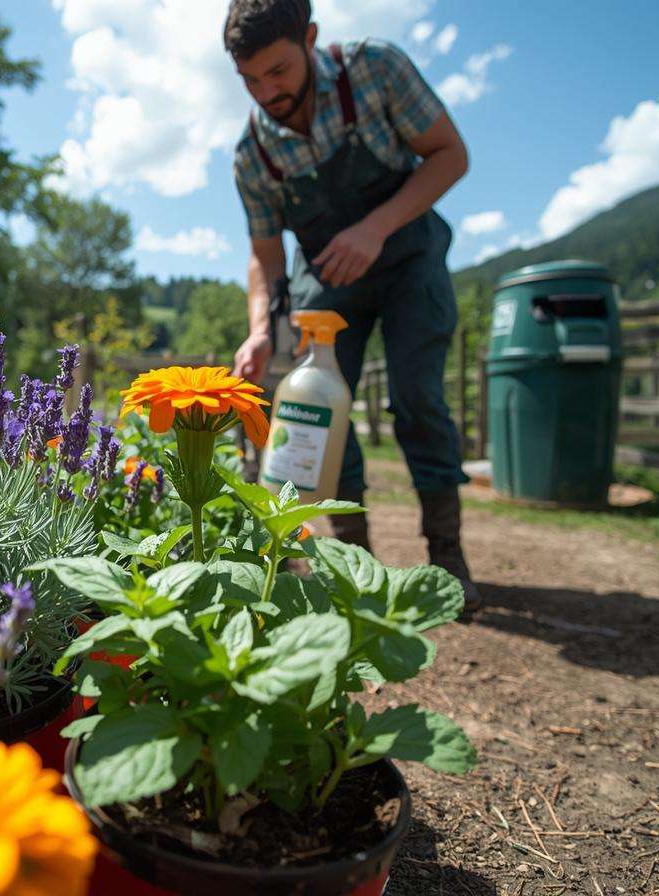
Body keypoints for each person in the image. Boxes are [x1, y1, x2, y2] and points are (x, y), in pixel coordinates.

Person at [224, 0, 478, 605]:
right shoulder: (252, 156)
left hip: (408, 254)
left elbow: (451, 155)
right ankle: (352, 561)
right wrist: (260, 329)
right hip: (332, 274)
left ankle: (447, 555)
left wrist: (376, 227)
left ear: (310, 38)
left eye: (279, 71)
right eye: (250, 80)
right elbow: (265, 257)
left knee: (417, 396)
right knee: (319, 405)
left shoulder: (376, 70)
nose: (267, 91)